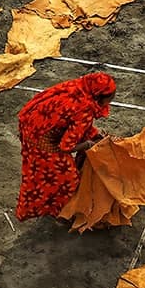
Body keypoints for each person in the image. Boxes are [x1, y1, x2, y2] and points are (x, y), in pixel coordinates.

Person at [14, 72, 117, 221]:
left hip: (31, 125)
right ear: (98, 97)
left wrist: (92, 134)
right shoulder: (84, 110)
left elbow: (69, 121)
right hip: (42, 140)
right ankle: (60, 212)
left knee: (40, 172)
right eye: (108, 100)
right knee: (67, 178)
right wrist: (87, 144)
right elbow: (65, 147)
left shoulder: (79, 87)